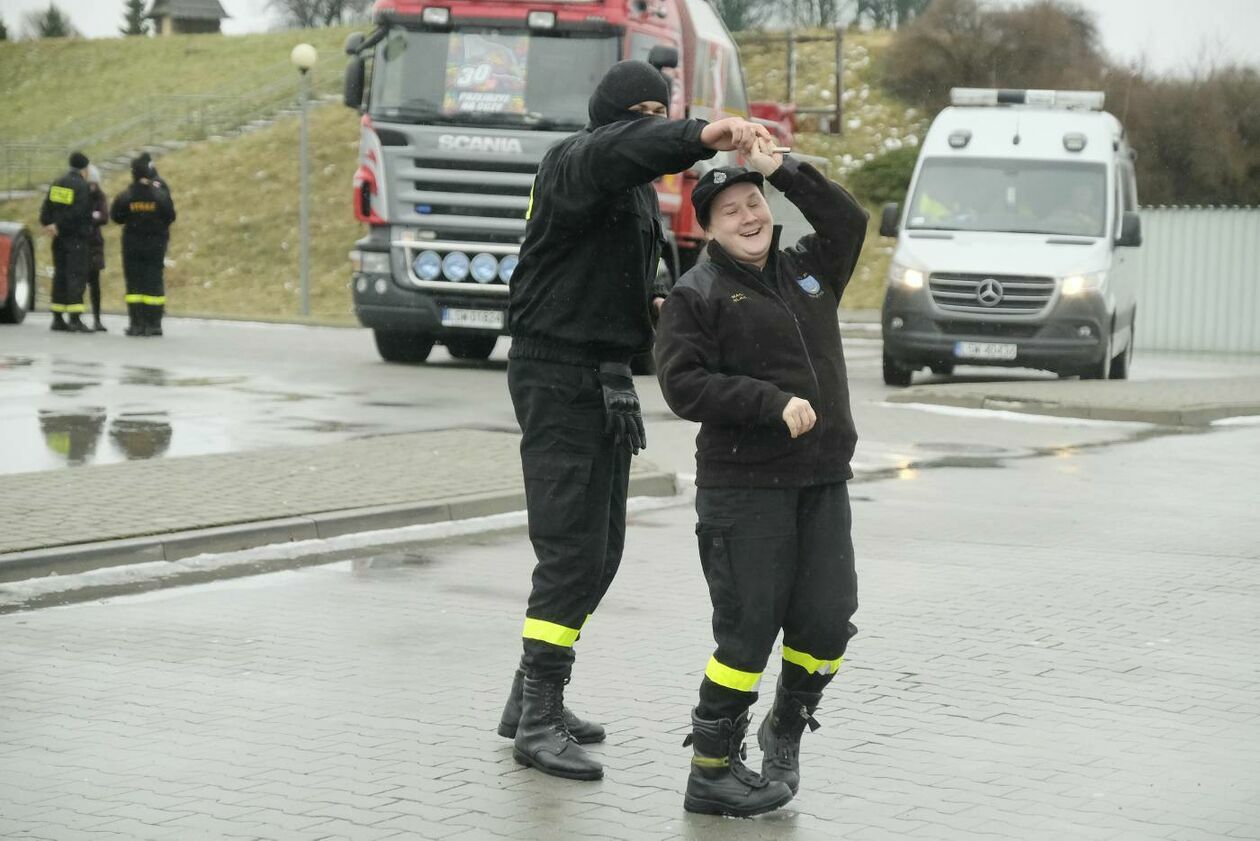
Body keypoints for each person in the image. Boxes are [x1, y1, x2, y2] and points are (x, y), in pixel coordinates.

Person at [497, 59, 771, 782]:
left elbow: (620, 274)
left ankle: (526, 693)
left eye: (661, 111)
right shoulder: (577, 162)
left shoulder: (633, 194)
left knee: (603, 548)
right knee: (572, 551)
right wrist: (694, 133)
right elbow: (621, 146)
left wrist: (657, 315)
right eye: (638, 114)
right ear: (612, 119)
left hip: (601, 375)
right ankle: (538, 717)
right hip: (557, 373)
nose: (646, 126)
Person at [655, 137, 869, 816]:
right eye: (730, 210)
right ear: (709, 227)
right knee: (746, 634)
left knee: (828, 623)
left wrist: (785, 168)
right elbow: (683, 385)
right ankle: (712, 765)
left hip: (822, 481)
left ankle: (785, 726)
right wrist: (769, 403)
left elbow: (848, 220)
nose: (749, 216)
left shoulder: (810, 268)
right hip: (743, 490)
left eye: (755, 202)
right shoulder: (697, 293)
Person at [111, 155, 176, 337]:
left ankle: (136, 323)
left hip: (132, 245)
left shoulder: (126, 196)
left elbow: (116, 216)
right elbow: (170, 216)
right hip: (155, 245)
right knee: (153, 283)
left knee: (134, 285)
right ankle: (153, 323)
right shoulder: (160, 195)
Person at [38, 151, 94, 333]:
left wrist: (50, 224)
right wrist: (60, 225)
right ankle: (75, 318)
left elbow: (47, 209)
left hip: (58, 239)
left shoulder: (58, 183)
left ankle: (57, 317)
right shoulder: (82, 186)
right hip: (76, 238)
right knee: (76, 276)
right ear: (84, 168)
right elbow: (79, 213)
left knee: (60, 275)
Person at [84, 165, 109, 332]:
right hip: (82, 243)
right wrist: (93, 216)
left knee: (95, 284)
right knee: (78, 283)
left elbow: (104, 216)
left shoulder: (100, 197)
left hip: (94, 244)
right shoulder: (81, 195)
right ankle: (75, 317)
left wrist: (91, 217)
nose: (92, 187)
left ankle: (97, 319)